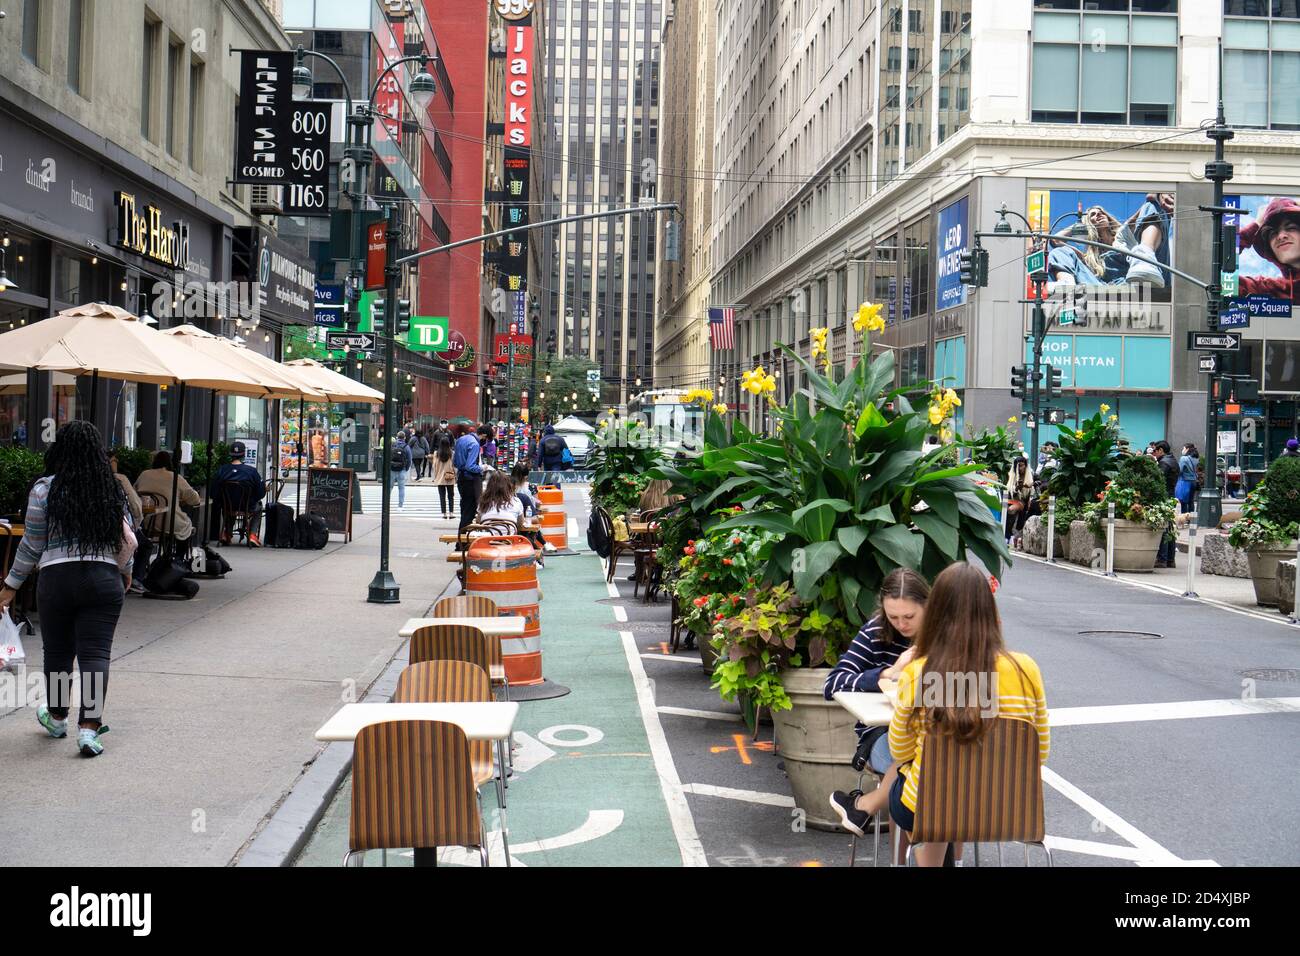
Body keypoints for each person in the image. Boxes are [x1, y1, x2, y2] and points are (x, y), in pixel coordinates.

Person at [882, 562, 1049, 866]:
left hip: (931, 809)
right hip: (1008, 808)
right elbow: (1040, 752)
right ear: (989, 612)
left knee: (915, 788)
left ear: (935, 613)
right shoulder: (1026, 669)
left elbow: (900, 750)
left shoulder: (920, 673)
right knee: (955, 792)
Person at [0, 421, 136, 757]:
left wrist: (10, 586)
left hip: (56, 580)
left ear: (58, 449)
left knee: (58, 653)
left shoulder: (44, 490)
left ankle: (58, 717)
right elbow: (126, 537)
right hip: (103, 578)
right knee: (95, 655)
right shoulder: (110, 488)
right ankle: (89, 730)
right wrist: (127, 571)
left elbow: (31, 544)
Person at [825, 569, 931, 838]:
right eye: (893, 617)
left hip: (933, 732)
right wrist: (888, 673)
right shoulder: (876, 630)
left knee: (932, 755)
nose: (901, 624)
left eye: (909, 617)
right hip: (883, 734)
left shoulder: (946, 635)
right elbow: (833, 683)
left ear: (928, 607)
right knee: (919, 757)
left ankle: (864, 806)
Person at [1237, 197, 1300, 301]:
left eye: (1291, 228)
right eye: (1272, 233)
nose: (1281, 236)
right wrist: (1256, 225)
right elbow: (1210, 275)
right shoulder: (1267, 290)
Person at [135, 450, 202, 545]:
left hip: (147, 522)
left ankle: (166, 553)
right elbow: (194, 499)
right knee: (187, 524)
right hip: (169, 522)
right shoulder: (175, 478)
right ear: (170, 463)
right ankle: (180, 556)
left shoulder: (144, 474)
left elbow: (134, 494)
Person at [211, 441, 268, 546]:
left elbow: (213, 492)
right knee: (259, 506)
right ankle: (252, 535)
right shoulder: (251, 471)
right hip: (248, 507)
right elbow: (260, 494)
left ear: (230, 454)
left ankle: (226, 533)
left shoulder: (222, 470)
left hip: (228, 506)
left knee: (228, 506)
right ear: (244, 454)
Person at [453, 423, 485, 533]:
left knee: (464, 509)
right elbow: (470, 466)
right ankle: (461, 542)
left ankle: (461, 540)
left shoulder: (461, 439)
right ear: (484, 435)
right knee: (469, 512)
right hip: (470, 480)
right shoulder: (475, 444)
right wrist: (482, 468)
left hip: (461, 478)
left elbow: (455, 462)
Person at [1153, 441, 1179, 568]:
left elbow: (1159, 481)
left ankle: (1162, 559)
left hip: (1165, 496)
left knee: (1163, 527)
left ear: (1161, 450)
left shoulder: (1164, 463)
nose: (1154, 454)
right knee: (1169, 527)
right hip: (1171, 495)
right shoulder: (1173, 460)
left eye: (1155, 451)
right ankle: (1170, 559)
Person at [1004, 456, 1037, 546]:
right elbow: (1009, 491)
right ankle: (1006, 534)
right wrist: (1017, 488)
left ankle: (1008, 535)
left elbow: (1036, 488)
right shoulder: (1011, 475)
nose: (1020, 468)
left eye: (1022, 466)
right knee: (1003, 508)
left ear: (1026, 466)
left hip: (1023, 502)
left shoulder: (1032, 475)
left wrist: (1029, 486)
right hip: (1010, 499)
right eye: (1018, 466)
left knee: (1011, 510)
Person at [431, 429, 457, 519]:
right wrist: (455, 474)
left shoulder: (436, 453)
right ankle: (451, 513)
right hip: (449, 476)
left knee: (442, 496)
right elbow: (454, 465)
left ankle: (444, 514)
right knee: (451, 496)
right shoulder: (451, 453)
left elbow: (434, 466)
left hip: (440, 477)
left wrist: (435, 476)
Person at [390, 430, 413, 510]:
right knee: (401, 488)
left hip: (392, 469)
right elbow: (410, 459)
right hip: (402, 469)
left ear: (397, 437)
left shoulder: (393, 445)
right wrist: (406, 468)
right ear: (404, 438)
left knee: (389, 487)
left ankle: (387, 503)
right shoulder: (406, 447)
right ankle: (400, 505)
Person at [1175, 444, 1199, 514]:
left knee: (1184, 502)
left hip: (1185, 482)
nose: (1182, 450)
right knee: (1191, 501)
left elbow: (1180, 470)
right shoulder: (1196, 458)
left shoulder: (1183, 458)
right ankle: (1191, 518)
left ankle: (1184, 518)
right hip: (1194, 482)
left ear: (1187, 449)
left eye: (1183, 448)